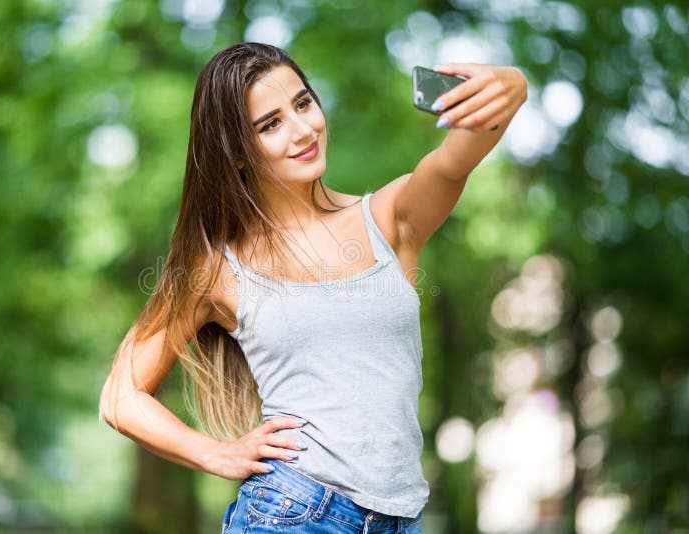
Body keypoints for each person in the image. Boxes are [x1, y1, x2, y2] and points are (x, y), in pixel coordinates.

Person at [98, 42, 527, 533]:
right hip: (293, 513)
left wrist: (512, 85)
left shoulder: (389, 218)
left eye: (303, 103)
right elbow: (120, 395)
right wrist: (216, 454)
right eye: (270, 124)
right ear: (236, 152)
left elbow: (455, 161)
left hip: (402, 518)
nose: (303, 130)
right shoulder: (220, 267)